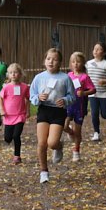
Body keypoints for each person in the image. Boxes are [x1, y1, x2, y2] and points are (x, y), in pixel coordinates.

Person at [30, 48, 75, 184]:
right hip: (44, 110)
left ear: (60, 62)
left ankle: (59, 146)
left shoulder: (65, 78)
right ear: (44, 61)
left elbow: (72, 96)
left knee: (52, 143)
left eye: (55, 60)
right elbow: (32, 96)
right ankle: (44, 171)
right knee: (42, 143)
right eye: (48, 59)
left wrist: (65, 100)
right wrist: (38, 98)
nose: (51, 62)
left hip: (58, 111)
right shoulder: (39, 77)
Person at [63, 51, 96, 162]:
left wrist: (84, 93)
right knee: (64, 126)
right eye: (73, 62)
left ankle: (76, 151)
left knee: (78, 132)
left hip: (80, 107)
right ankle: (70, 132)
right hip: (68, 106)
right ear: (70, 64)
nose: (75, 64)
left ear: (83, 63)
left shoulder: (85, 77)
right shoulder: (68, 76)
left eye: (78, 62)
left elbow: (93, 89)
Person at [0, 63, 31, 164]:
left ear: (20, 74)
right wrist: (1, 109)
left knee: (16, 136)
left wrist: (28, 110)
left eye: (15, 72)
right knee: (7, 138)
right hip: (8, 116)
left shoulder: (24, 87)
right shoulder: (6, 87)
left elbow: (27, 99)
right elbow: (0, 98)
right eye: (11, 72)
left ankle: (17, 156)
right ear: (8, 75)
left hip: (20, 116)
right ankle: (8, 139)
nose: (13, 74)